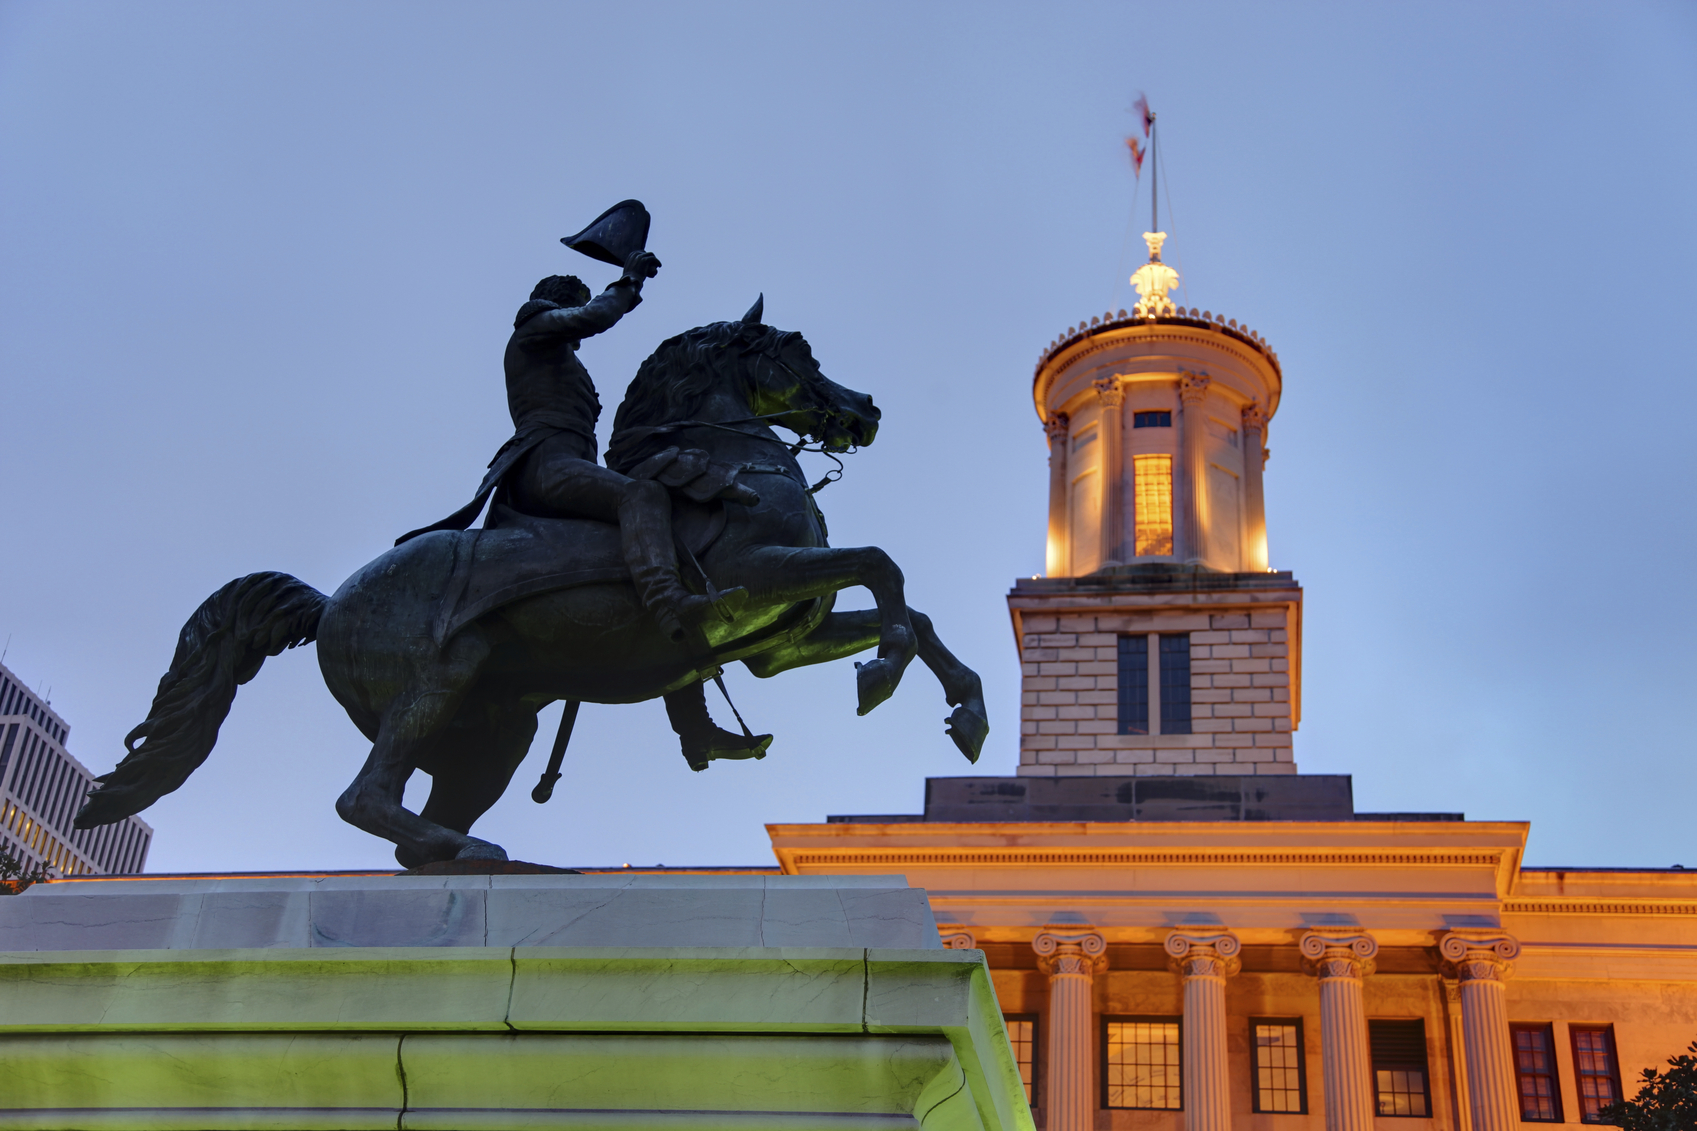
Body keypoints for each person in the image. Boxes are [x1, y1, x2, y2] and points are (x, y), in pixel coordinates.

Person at [398, 249, 742, 642]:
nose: (581, 314)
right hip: (545, 464)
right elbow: (594, 318)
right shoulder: (533, 329)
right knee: (641, 495)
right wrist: (628, 281)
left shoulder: (561, 358)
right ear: (560, 303)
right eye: (578, 302)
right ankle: (666, 599)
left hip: (570, 461)